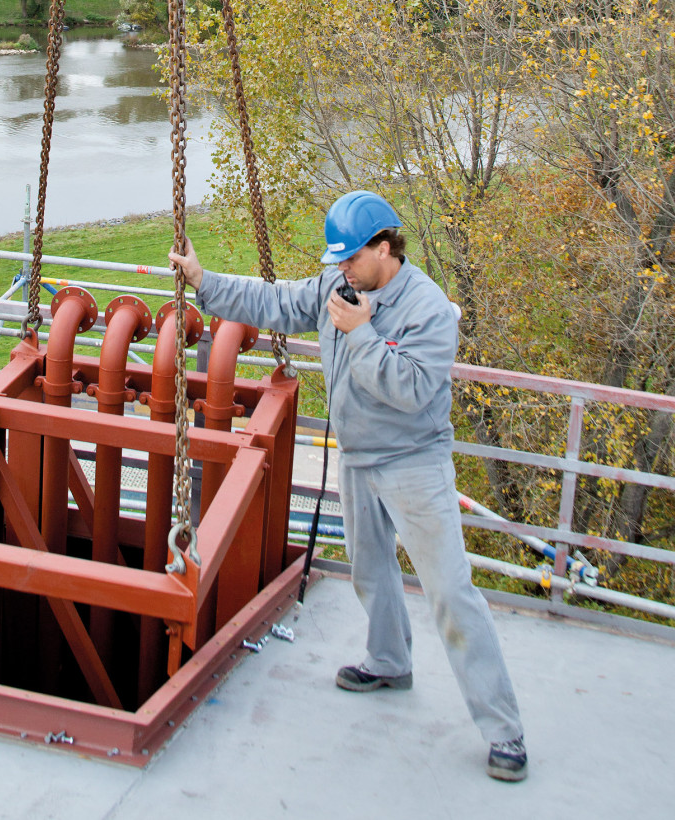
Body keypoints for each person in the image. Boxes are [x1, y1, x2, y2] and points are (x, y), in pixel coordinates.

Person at [168, 191, 528, 782]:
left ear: (385, 250)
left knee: (451, 593)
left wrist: (360, 334)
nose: (340, 270)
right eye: (335, 260)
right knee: (369, 568)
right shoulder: (337, 287)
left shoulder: (429, 311)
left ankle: (504, 731)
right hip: (359, 458)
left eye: (350, 258)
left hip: (414, 464)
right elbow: (277, 300)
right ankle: (389, 662)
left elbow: (412, 391)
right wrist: (206, 282)